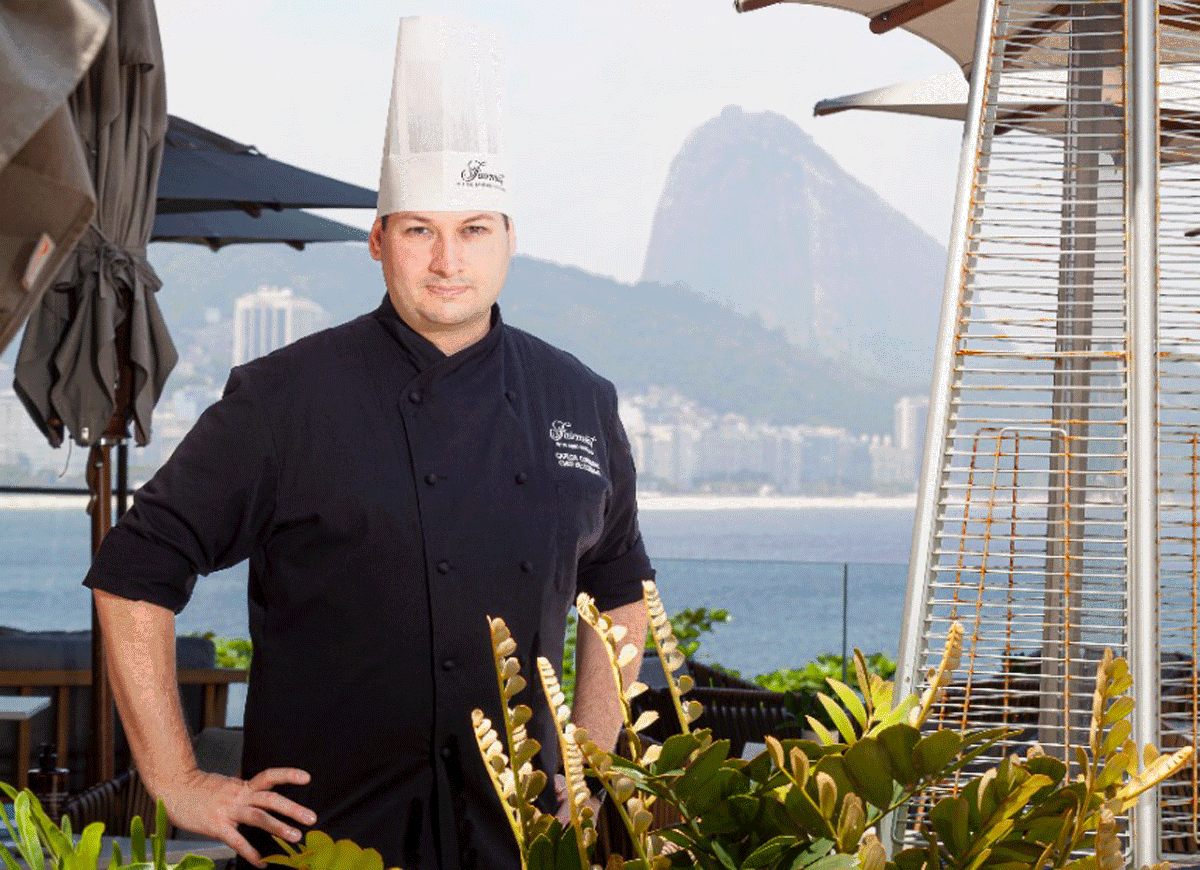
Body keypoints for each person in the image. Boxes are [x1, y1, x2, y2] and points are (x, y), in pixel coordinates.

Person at [85, 16, 652, 870]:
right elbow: (136, 571)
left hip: (517, 844)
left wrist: (590, 756)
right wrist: (174, 777)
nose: (447, 261)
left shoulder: (578, 398)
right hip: (327, 841)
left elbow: (622, 592)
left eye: (474, 230)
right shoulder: (283, 396)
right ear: (379, 242)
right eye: (419, 230)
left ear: (510, 241)